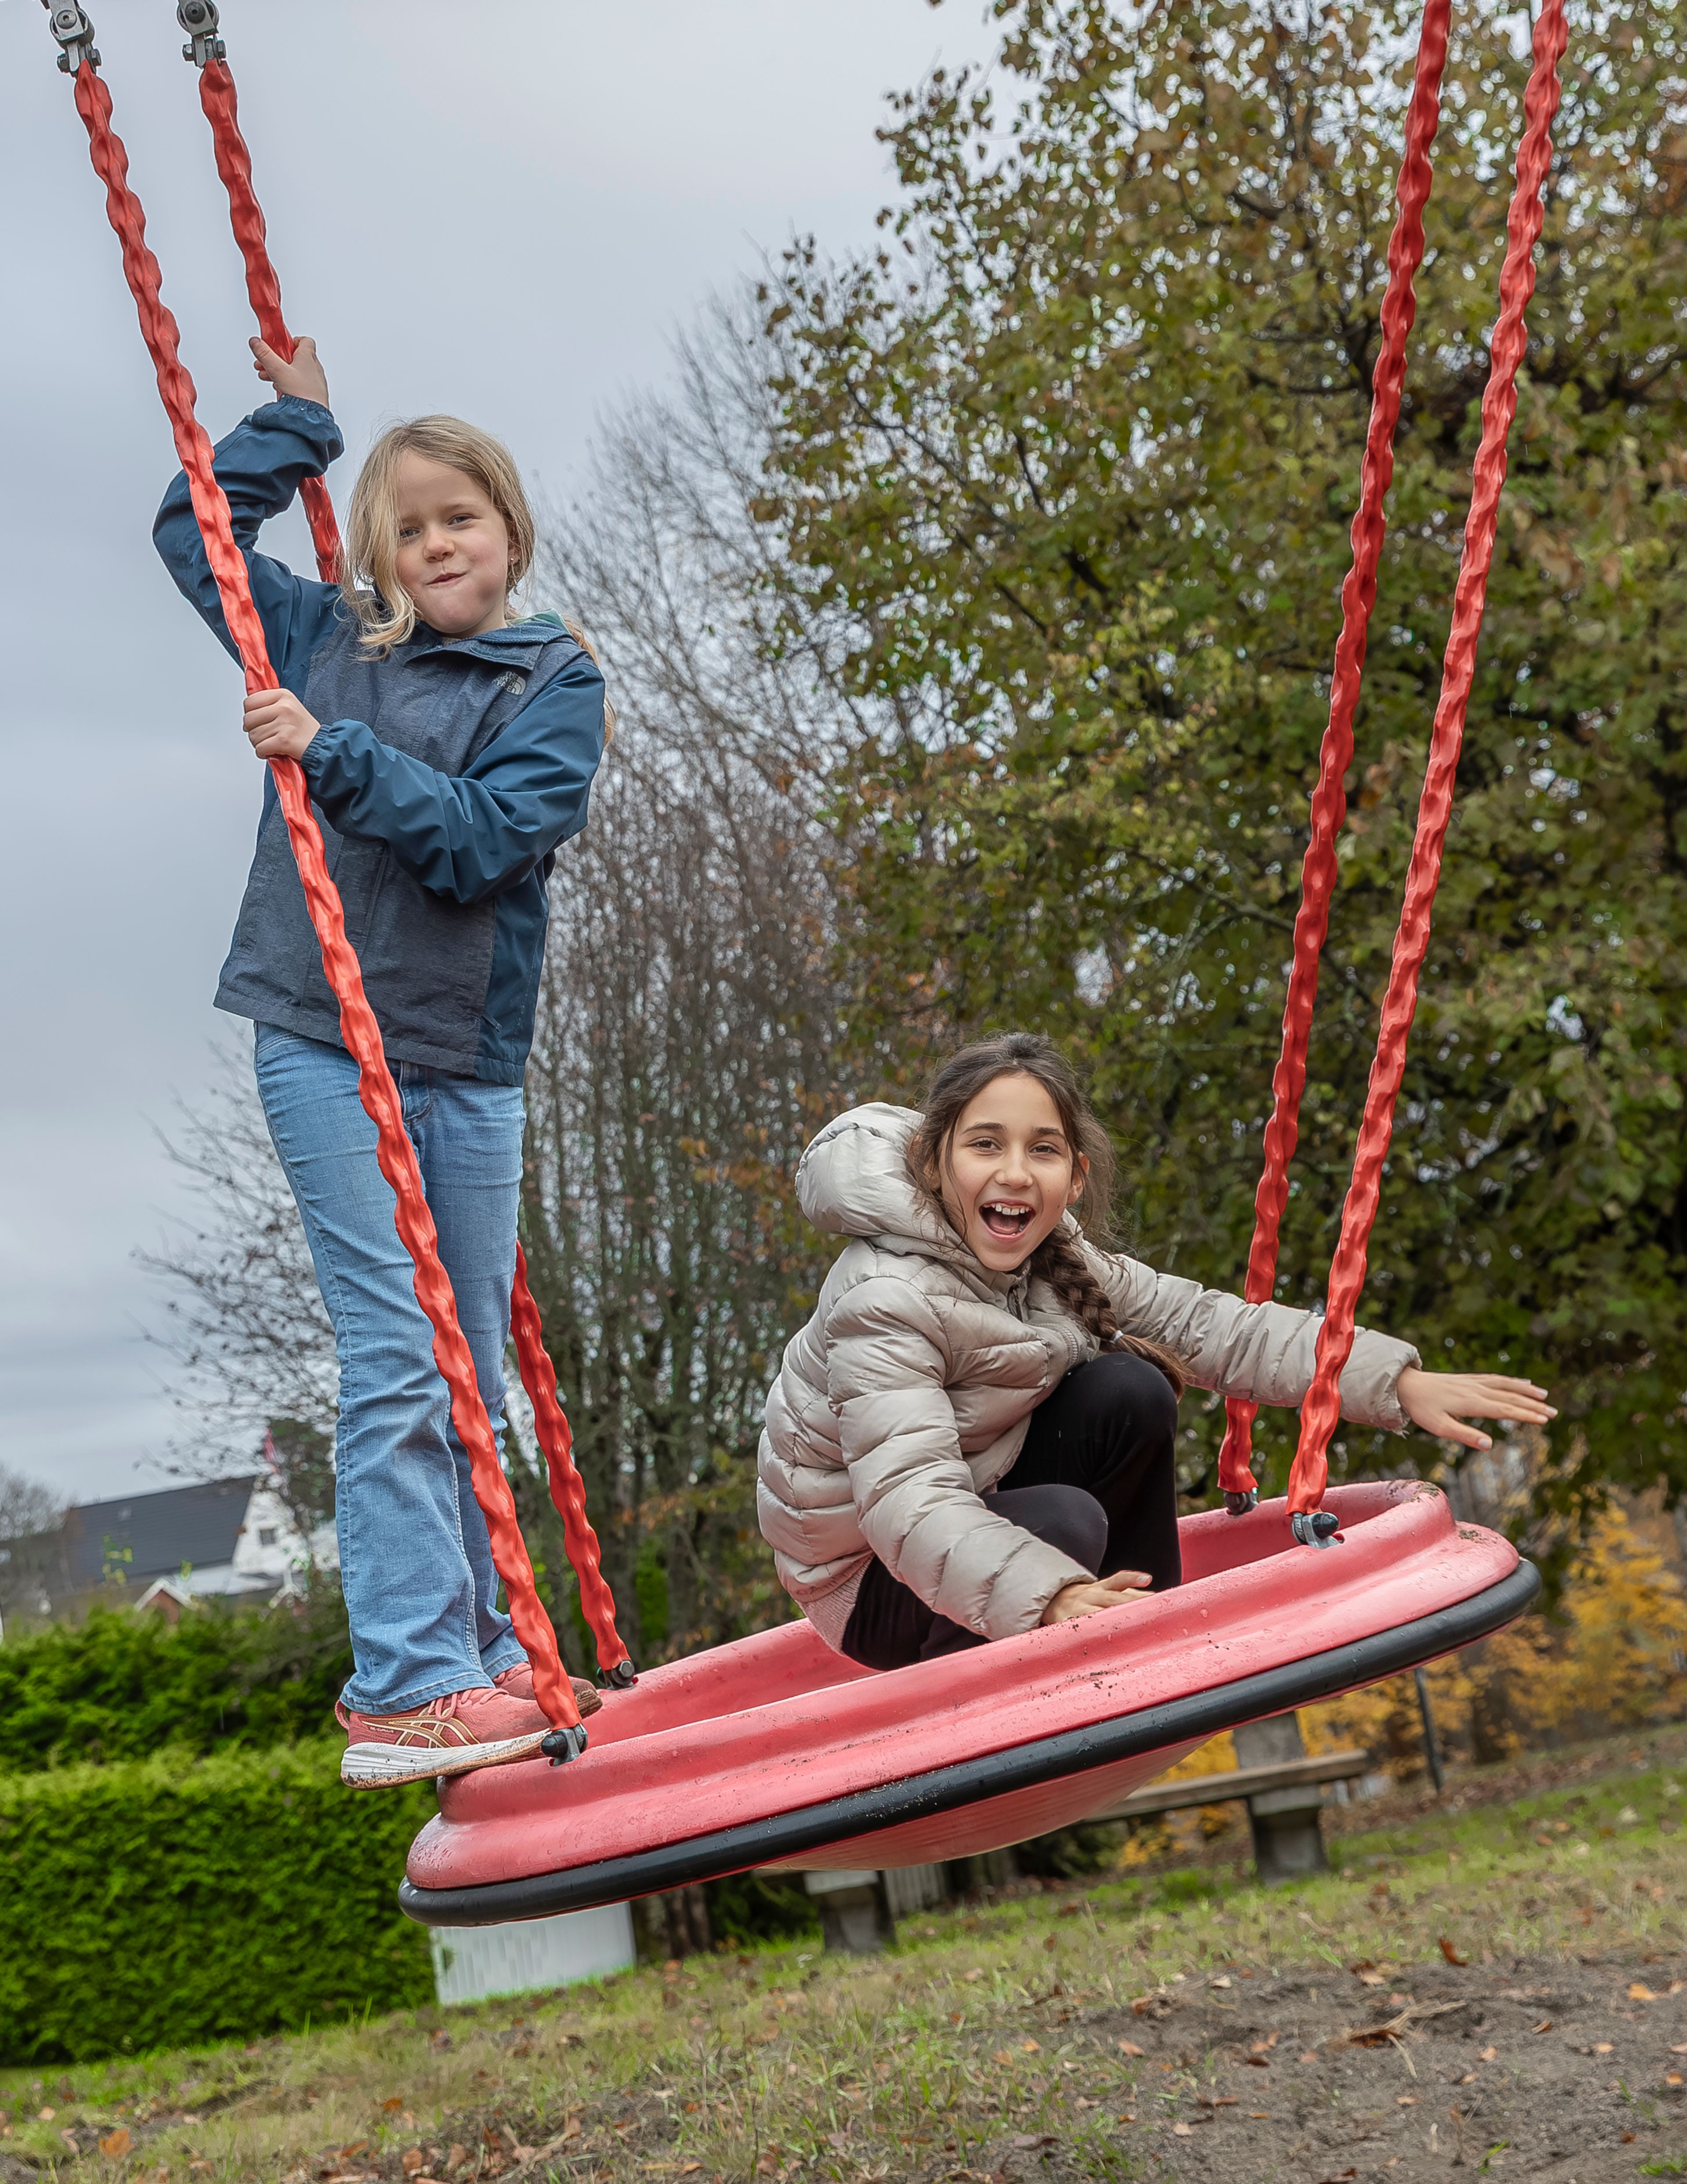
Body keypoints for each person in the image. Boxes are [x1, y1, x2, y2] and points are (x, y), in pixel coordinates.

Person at [156, 336, 609, 1787]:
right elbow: (194, 532)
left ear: (510, 530)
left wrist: (327, 754)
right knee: (399, 1352)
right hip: (320, 1035)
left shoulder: (555, 680)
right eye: (405, 528)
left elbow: (482, 841)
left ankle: (477, 1658)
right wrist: (297, 424)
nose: (434, 544)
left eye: (457, 518)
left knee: (468, 1362)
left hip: (465, 1063)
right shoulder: (328, 638)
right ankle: (408, 1680)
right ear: (379, 553)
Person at [758, 1033, 1555, 1669]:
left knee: (1129, 1388)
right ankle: (1030, 1651)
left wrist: (1394, 1380)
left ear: (1075, 1177)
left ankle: (1146, 1630)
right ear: (936, 1165)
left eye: (1043, 1150)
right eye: (985, 1145)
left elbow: (1216, 1328)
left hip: (980, 1502)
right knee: (1064, 1521)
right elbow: (909, 1504)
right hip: (872, 1577)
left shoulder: (1057, 1261)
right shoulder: (885, 1298)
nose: (1013, 1173)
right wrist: (1053, 1596)